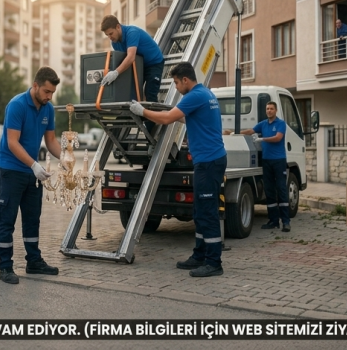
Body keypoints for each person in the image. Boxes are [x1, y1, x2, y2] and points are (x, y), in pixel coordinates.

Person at [129, 62, 227, 278]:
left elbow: (167, 119)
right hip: (209, 161)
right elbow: (188, 117)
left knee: (208, 213)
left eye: (175, 82)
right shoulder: (205, 94)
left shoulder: (194, 96)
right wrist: (164, 111)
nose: (175, 87)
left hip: (209, 162)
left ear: (185, 80)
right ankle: (199, 255)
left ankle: (213, 262)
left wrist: (142, 111)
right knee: (199, 211)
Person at [0, 67, 63, 285]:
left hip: (31, 172)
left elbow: (50, 141)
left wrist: (66, 158)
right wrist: (34, 164)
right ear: (35, 86)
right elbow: (12, 142)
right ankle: (5, 266)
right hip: (11, 170)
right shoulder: (16, 105)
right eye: (46, 91)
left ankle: (33, 261)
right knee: (7, 219)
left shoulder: (48, 109)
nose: (49, 96)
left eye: (52, 93)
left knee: (33, 219)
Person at [232, 102, 290, 232]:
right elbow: (251, 131)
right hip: (266, 161)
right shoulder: (263, 124)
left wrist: (262, 139)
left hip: (278, 160)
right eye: (267, 109)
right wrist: (236, 133)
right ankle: (273, 221)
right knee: (269, 190)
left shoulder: (280, 124)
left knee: (281, 189)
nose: (269, 111)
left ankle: (286, 222)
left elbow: (278, 138)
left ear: (275, 110)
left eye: (271, 109)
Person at [100, 15, 165, 131]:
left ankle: (151, 131)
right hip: (139, 66)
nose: (110, 37)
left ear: (118, 27)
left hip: (153, 63)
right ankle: (121, 130)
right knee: (130, 97)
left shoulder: (132, 33)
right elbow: (123, 61)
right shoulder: (115, 43)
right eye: (107, 35)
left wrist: (115, 73)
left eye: (111, 33)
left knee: (150, 94)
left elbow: (130, 57)